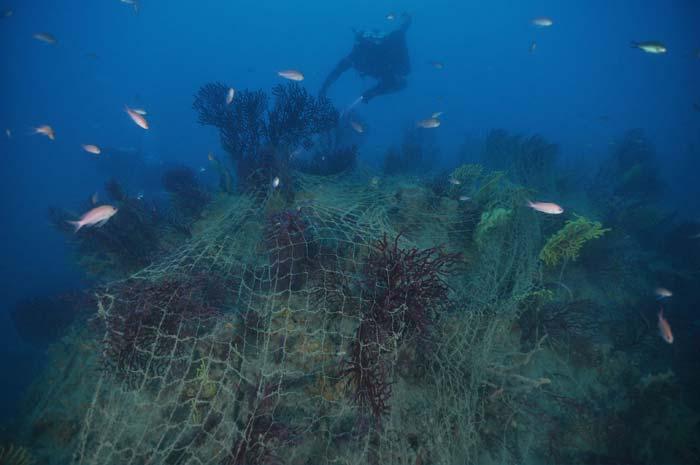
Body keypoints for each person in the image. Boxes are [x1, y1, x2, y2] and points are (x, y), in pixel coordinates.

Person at [320, 14, 412, 104]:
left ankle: (371, 93)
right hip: (388, 69)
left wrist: (324, 88)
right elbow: (401, 30)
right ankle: (371, 93)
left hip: (389, 68)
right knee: (399, 80)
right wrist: (324, 89)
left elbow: (337, 71)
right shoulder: (357, 55)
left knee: (399, 80)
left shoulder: (358, 55)